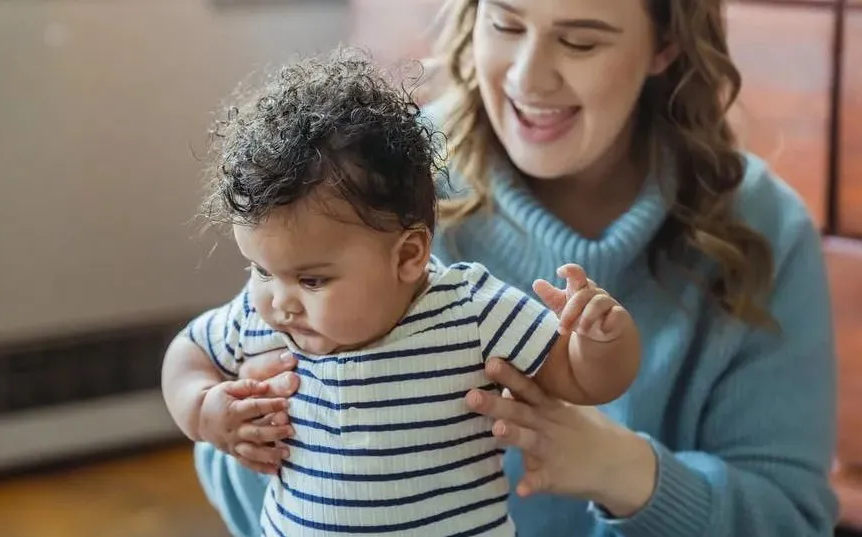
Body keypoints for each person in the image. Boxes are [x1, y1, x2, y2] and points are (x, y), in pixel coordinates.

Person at [190, 0, 839, 535]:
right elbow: (229, 446)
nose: (530, 78)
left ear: (665, 44)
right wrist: (259, 422)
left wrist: (625, 469)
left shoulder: (764, 230)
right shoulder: (370, 189)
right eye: (505, 24)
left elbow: (792, 518)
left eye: (580, 42)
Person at [161, 49, 642, 536]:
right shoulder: (257, 316)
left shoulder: (470, 310)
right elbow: (188, 352)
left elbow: (583, 381)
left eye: (312, 281)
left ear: (408, 256)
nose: (279, 303)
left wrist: (600, 341)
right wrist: (202, 408)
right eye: (260, 270)